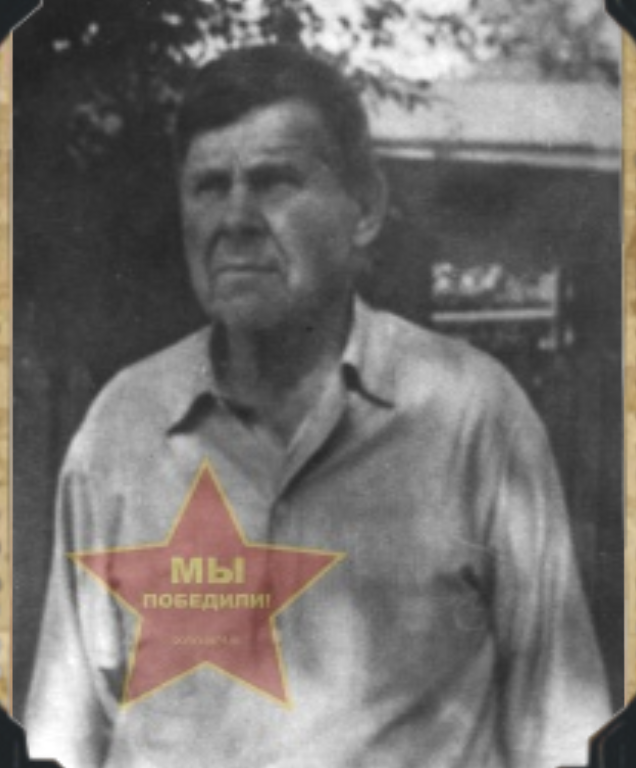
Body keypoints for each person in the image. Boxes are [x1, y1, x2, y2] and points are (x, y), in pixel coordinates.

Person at [25, 45, 610, 768]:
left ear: (365, 209)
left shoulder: (469, 415)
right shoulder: (124, 427)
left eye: (275, 181)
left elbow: (561, 726)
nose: (236, 217)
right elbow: (64, 734)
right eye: (208, 186)